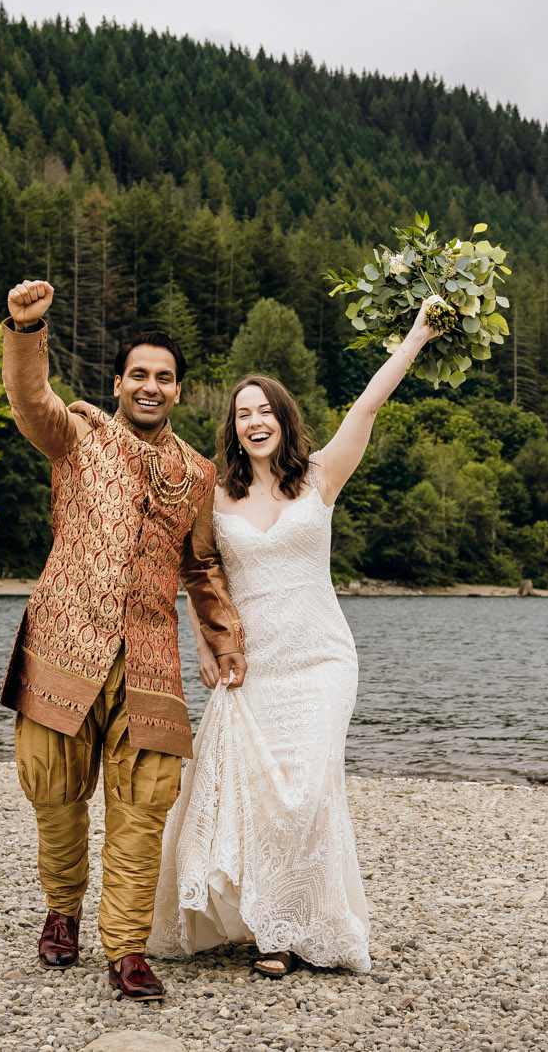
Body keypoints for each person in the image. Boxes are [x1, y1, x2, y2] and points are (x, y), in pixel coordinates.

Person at [151, 295, 448, 976]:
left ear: (284, 420)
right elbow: (195, 572)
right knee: (257, 796)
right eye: (242, 414)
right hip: (251, 667)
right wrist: (202, 642)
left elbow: (367, 406)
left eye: (265, 411)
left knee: (307, 792)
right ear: (233, 428)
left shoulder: (321, 477)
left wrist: (417, 335)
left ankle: (307, 919)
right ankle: (272, 933)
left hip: (319, 659)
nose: (254, 422)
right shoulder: (215, 496)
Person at [0, 279, 248, 1002]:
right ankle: (61, 910)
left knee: (144, 803)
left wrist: (225, 634)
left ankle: (128, 949)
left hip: (148, 657)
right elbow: (28, 397)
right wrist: (27, 327)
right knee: (55, 790)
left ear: (178, 390)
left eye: (164, 376)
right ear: (117, 382)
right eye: (138, 373)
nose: (151, 385)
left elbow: (200, 564)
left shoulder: (198, 472)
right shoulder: (75, 433)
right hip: (63, 641)